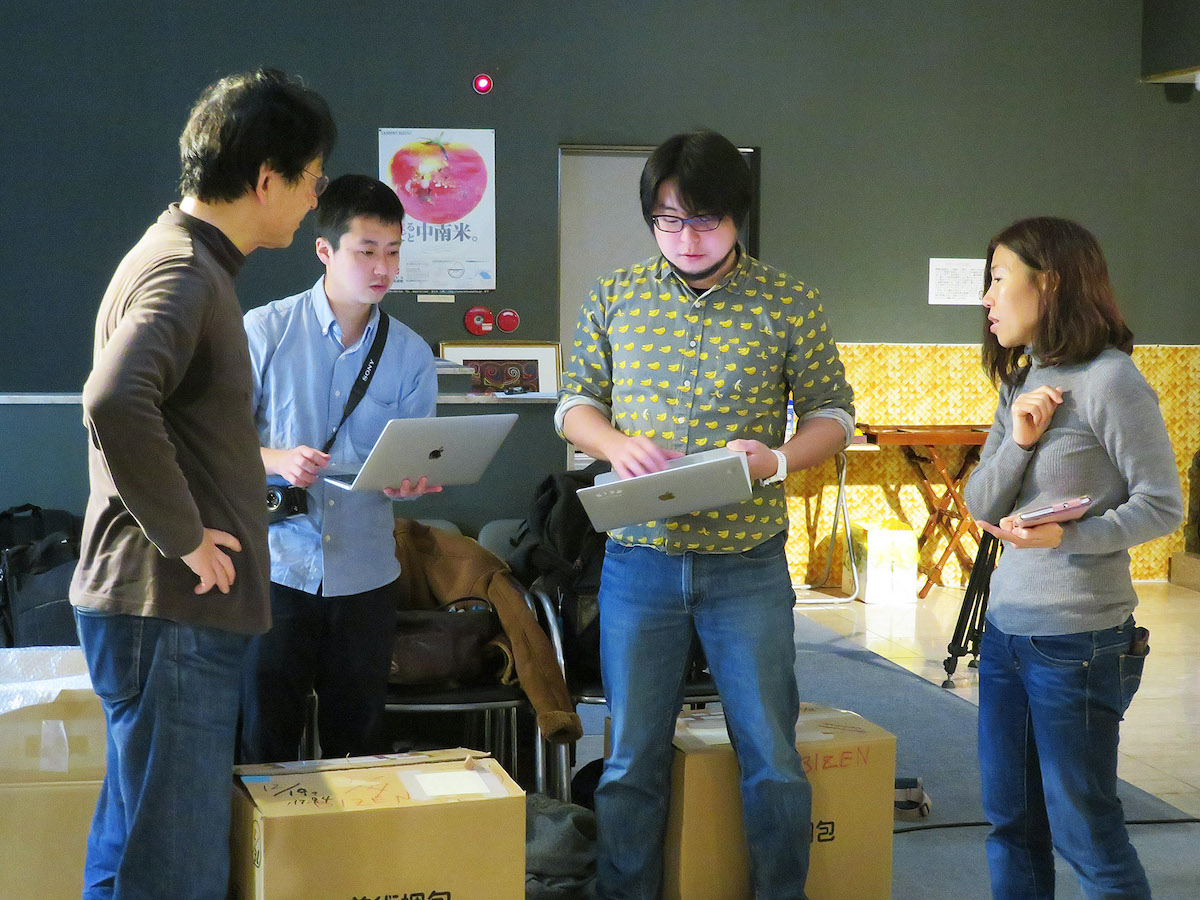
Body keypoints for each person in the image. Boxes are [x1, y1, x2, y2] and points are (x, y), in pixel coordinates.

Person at [556, 129, 855, 899]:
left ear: (737, 216)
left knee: (771, 754)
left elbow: (833, 414)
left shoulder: (788, 301)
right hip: (638, 560)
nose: (685, 237)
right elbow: (573, 402)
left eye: (703, 220)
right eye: (668, 220)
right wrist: (613, 442)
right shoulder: (616, 294)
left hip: (747, 561)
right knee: (631, 759)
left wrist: (774, 460)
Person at [70, 69, 335, 899]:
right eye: (311, 179)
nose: (315, 197)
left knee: (134, 851)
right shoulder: (186, 271)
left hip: (157, 614)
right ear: (266, 179)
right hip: (170, 614)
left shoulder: (180, 258)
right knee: (176, 867)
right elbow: (114, 400)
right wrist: (184, 536)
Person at [964, 217, 1183, 899]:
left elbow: (1163, 505)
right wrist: (1021, 440)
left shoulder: (1111, 380)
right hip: (1005, 635)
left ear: (1050, 283)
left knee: (1086, 834)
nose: (987, 298)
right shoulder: (1023, 379)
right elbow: (981, 503)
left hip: (1081, 643)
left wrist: (1070, 536)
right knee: (1011, 825)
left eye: (998, 279)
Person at [238, 174, 440, 764]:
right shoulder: (265, 330)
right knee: (263, 740)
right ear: (324, 250)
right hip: (277, 568)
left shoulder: (410, 353)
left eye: (394, 252)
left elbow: (414, 454)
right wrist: (277, 459)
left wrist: (411, 482)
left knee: (360, 746)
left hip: (366, 573)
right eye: (367, 251)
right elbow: (214, 443)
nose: (383, 268)